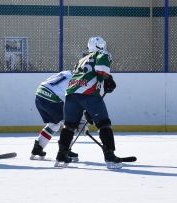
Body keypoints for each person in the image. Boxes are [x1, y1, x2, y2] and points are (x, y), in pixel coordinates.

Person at [55, 36, 128, 169]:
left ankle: (61, 155)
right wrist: (109, 78)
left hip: (71, 94)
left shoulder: (81, 59)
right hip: (89, 94)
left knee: (69, 126)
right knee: (104, 124)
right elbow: (101, 68)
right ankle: (110, 156)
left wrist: (86, 110)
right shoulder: (102, 54)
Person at [31, 69, 80, 162]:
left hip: (39, 95)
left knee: (54, 124)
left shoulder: (66, 72)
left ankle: (38, 148)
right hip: (50, 98)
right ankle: (65, 150)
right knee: (69, 124)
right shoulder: (75, 80)